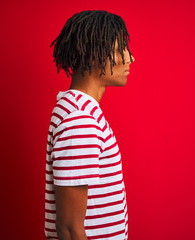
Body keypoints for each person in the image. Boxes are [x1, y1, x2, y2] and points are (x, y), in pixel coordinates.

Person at [45, 10, 135, 240]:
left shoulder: (78, 111)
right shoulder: (80, 120)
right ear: (94, 54)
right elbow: (69, 229)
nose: (130, 59)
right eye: (119, 50)